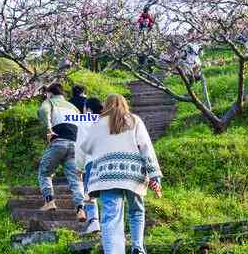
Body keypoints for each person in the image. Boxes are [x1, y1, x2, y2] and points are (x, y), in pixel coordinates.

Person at [81, 94, 163, 254]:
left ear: (106, 106)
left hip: (107, 177)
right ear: (125, 104)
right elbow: (146, 148)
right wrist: (155, 176)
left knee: (111, 217)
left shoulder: (98, 123)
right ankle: (137, 248)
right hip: (133, 176)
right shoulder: (135, 120)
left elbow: (87, 148)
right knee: (136, 211)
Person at [37, 83, 86, 222]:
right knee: (75, 179)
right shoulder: (73, 107)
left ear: (50, 93)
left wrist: (48, 129)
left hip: (59, 142)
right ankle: (80, 209)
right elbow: (83, 126)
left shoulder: (50, 102)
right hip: (75, 145)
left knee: (44, 172)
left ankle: (49, 201)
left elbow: (43, 112)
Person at [75, 97, 104, 235]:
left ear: (88, 109)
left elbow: (80, 146)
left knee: (89, 194)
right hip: (108, 161)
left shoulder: (84, 120)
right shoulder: (107, 120)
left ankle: (93, 222)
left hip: (91, 161)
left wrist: (79, 167)